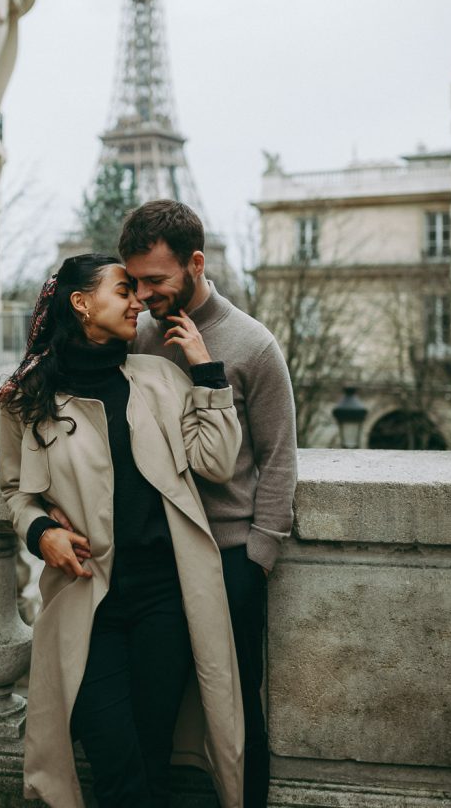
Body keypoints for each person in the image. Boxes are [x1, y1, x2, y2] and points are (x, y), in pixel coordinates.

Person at [0, 254, 244, 808]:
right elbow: (15, 490)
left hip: (165, 599)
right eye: (123, 291)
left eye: (138, 291)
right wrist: (41, 533)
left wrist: (206, 371)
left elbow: (218, 462)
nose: (139, 302)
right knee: (115, 764)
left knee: (154, 761)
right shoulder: (26, 398)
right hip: (87, 599)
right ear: (80, 303)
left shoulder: (158, 378)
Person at [119, 200, 298, 808]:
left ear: (196, 264)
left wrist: (258, 557)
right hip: (157, 556)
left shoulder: (253, 344)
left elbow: (277, 457)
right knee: (154, 703)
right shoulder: (137, 335)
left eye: (156, 281)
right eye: (133, 280)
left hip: (228, 556)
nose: (142, 295)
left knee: (238, 703)